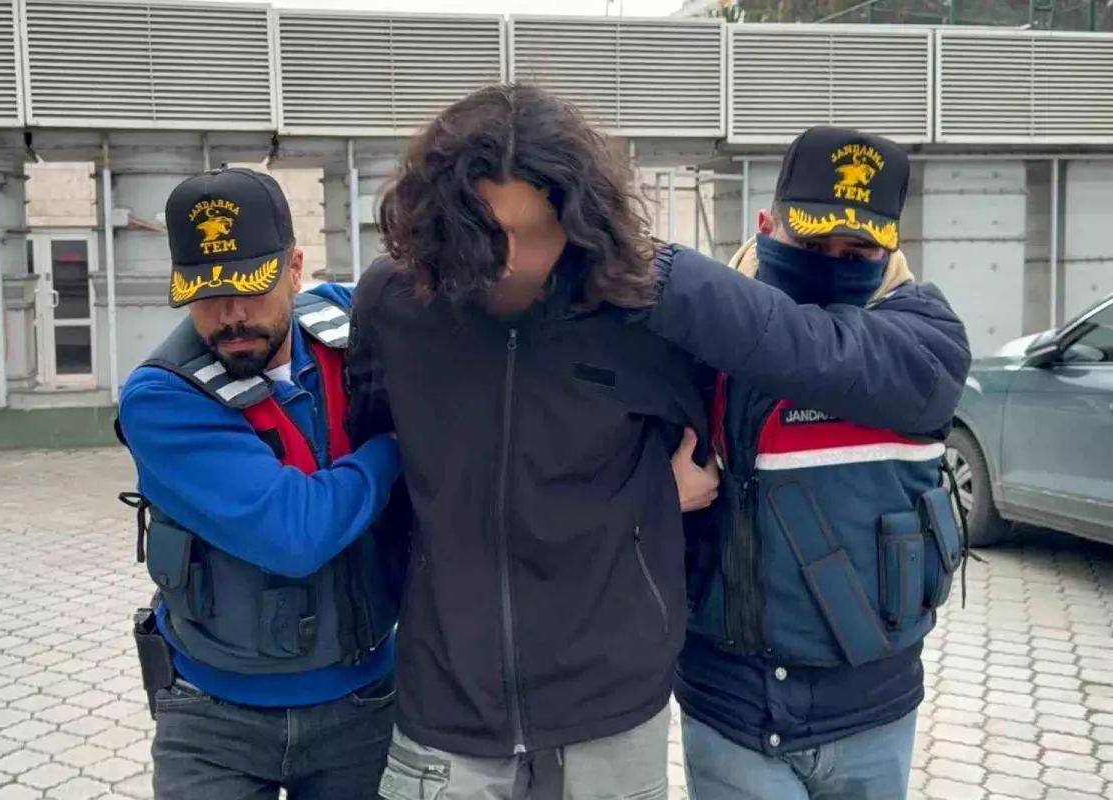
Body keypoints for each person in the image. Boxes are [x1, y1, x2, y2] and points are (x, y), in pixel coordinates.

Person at [346, 83, 721, 800]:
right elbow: (378, 450)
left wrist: (656, 499)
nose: (515, 258)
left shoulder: (637, 307)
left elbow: (707, 450)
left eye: (540, 229)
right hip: (448, 701)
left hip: (613, 701)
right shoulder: (393, 303)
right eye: (488, 232)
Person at [645, 127, 973, 799]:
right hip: (730, 710)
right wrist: (658, 494)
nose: (831, 264)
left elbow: (805, 346)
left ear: (891, 249)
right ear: (767, 226)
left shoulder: (927, 343)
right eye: (812, 245)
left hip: (872, 715)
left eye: (856, 251)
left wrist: (656, 269)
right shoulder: (694, 341)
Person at [115, 167, 406, 799]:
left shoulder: (349, 324)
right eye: (207, 294)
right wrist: (395, 445)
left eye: (252, 288)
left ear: (295, 269)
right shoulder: (162, 397)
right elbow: (294, 534)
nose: (232, 316)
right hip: (214, 723)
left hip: (363, 707)